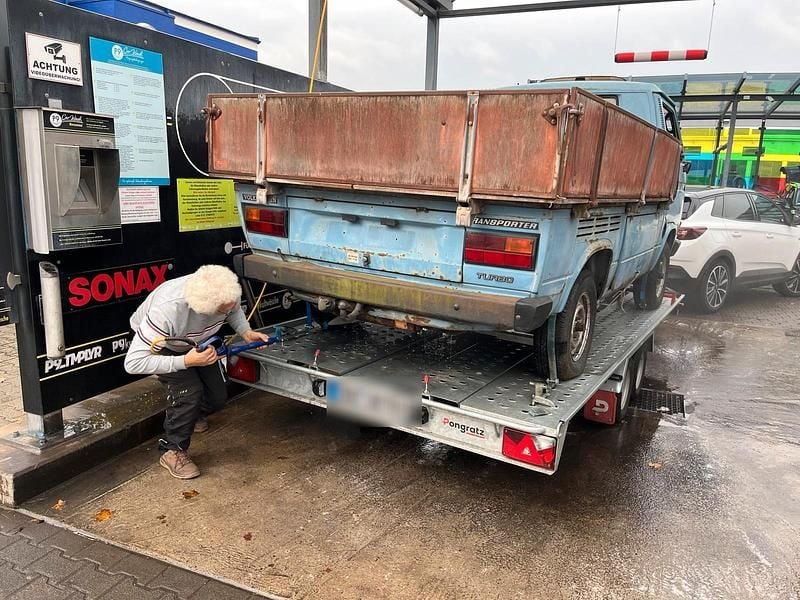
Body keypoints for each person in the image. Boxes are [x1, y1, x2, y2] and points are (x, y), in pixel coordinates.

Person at [124, 265, 269, 479]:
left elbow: (234, 309)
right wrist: (185, 361)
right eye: (223, 310)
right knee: (189, 393)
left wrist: (245, 332)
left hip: (198, 342)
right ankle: (172, 451)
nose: (230, 309)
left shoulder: (224, 289)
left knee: (218, 397)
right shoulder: (168, 310)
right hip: (165, 345)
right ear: (204, 309)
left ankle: (192, 416)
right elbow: (133, 363)